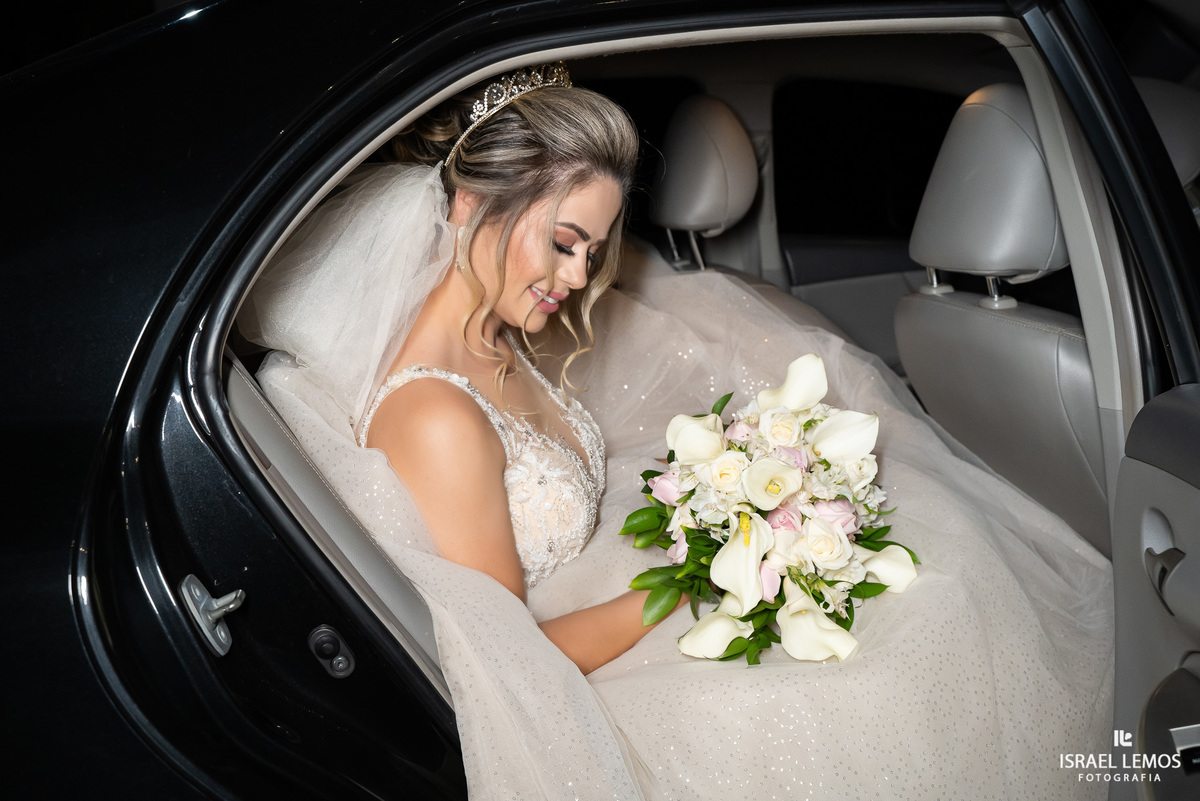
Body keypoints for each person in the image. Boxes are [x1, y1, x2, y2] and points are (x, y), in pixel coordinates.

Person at [243, 63, 1113, 800]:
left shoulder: (498, 337)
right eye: (564, 241)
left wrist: (732, 491)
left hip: (603, 597)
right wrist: (698, 582)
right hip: (576, 677)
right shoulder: (436, 416)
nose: (579, 276)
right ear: (470, 203)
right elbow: (513, 661)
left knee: (936, 573)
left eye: (596, 248)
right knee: (892, 679)